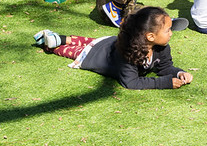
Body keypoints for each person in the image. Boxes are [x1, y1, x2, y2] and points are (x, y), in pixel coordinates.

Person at [33, 6, 193, 90]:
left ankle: (58, 38)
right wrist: (163, 83)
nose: (171, 33)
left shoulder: (162, 47)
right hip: (96, 56)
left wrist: (179, 73)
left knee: (89, 41)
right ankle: (49, 44)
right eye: (168, 30)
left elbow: (165, 67)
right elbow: (131, 82)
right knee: (74, 51)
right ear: (150, 36)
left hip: (109, 44)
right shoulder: (130, 53)